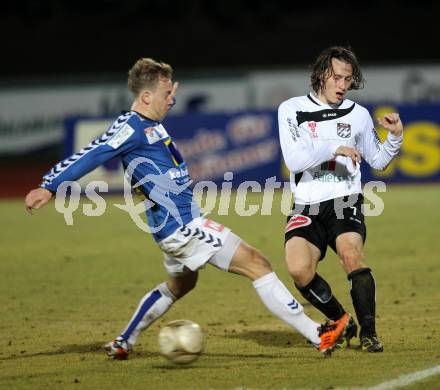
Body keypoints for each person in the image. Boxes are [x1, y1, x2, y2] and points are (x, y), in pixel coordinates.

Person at [25, 58, 349, 360]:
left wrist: (165, 92)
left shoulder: (151, 122)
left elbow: (155, 143)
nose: (173, 100)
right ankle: (316, 334)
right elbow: (94, 152)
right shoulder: (132, 126)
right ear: (147, 96)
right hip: (183, 227)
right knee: (257, 263)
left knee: (181, 284)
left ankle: (124, 341)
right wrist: (50, 184)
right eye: (167, 94)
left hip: (172, 227)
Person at [278, 46, 404, 353]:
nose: (342, 85)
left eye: (348, 79)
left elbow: (378, 160)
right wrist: (335, 148)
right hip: (306, 204)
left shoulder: (359, 115)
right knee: (298, 269)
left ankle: (369, 334)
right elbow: (295, 161)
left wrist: (396, 136)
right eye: (337, 77)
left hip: (344, 200)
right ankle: (341, 319)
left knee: (351, 254)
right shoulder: (291, 109)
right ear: (321, 74)